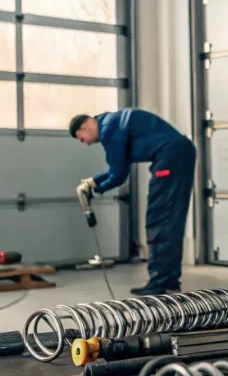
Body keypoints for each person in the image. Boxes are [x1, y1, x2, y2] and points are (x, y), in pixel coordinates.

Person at [71, 108, 196, 296]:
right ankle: (169, 281)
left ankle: (160, 283)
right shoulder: (113, 123)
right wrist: (93, 182)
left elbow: (118, 175)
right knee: (170, 221)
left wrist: (95, 190)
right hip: (177, 154)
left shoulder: (109, 129)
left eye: (82, 138)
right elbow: (118, 168)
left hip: (169, 157)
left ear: (86, 124)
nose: (86, 143)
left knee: (159, 219)